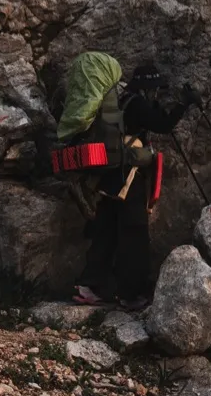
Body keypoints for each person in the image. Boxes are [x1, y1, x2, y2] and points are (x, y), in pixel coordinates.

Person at [73, 64, 191, 309]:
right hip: (129, 178)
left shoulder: (122, 100)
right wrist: (183, 104)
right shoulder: (137, 104)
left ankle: (91, 287)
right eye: (154, 89)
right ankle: (131, 294)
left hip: (110, 178)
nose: (155, 93)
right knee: (134, 234)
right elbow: (163, 125)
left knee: (106, 232)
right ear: (148, 88)